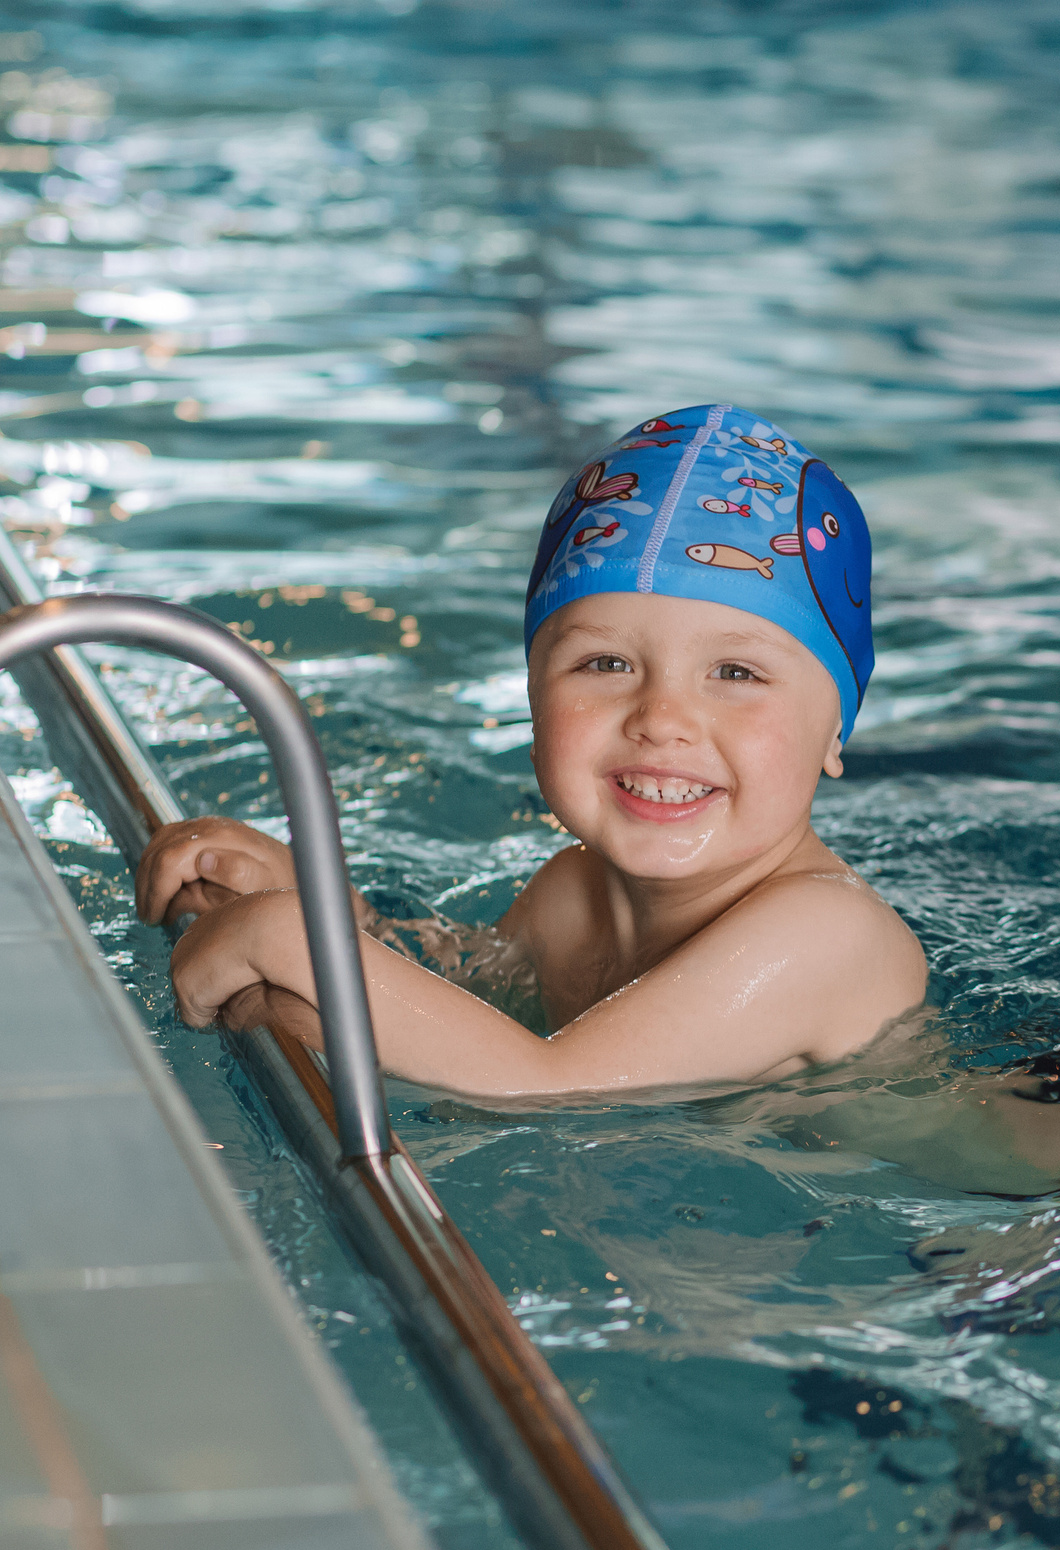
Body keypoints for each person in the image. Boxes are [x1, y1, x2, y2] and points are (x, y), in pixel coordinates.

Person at [139, 404, 934, 1102]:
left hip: (992, 1242)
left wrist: (285, 938)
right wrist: (325, 907)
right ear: (531, 697)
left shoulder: (828, 932)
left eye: (736, 672)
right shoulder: (571, 893)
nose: (661, 719)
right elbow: (462, 999)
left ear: (838, 729)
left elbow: (549, 1087)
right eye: (606, 663)